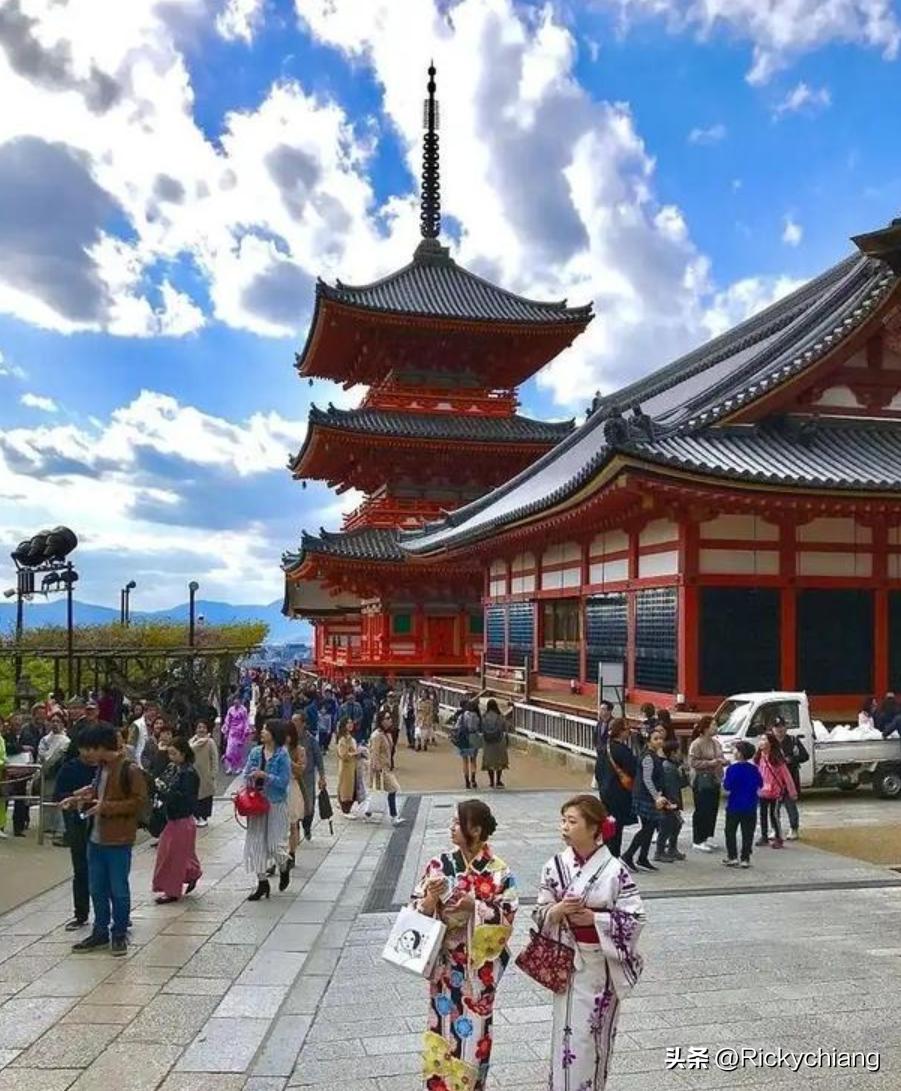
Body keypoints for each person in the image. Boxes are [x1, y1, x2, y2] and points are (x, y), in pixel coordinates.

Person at [534, 795, 645, 1091]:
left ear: (595, 827)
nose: (564, 827)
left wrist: (594, 919)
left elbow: (635, 918)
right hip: (568, 964)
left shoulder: (614, 870)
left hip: (601, 967)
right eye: (563, 821)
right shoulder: (555, 866)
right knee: (565, 1037)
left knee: (591, 1040)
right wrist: (558, 911)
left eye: (572, 821)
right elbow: (540, 912)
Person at [413, 800, 518, 1091]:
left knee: (475, 1037)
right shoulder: (439, 865)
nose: (452, 828)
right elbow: (416, 907)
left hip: (477, 971)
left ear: (476, 829)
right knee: (442, 1032)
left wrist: (475, 906)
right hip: (445, 967)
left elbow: (508, 914)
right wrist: (431, 900)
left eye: (458, 823)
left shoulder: (499, 871)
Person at [62, 725, 147, 956]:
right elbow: (98, 791)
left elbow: (139, 802)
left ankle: (119, 933)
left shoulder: (129, 769)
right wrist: (77, 798)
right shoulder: (102, 768)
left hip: (118, 840)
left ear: (100, 747)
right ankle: (100, 931)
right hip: (95, 838)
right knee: (97, 888)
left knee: (118, 889)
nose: (85, 754)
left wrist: (105, 807)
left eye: (88, 749)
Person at [242, 719, 292, 899]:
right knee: (256, 843)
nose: (262, 732)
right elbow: (245, 774)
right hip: (256, 803)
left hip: (276, 803)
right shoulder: (256, 752)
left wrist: (266, 776)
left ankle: (284, 865)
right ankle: (262, 882)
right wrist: (251, 777)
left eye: (266, 729)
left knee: (275, 844)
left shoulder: (282, 755)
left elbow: (283, 781)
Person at [152, 736, 202, 904]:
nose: (171, 757)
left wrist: (167, 793)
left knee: (173, 856)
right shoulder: (173, 768)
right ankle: (192, 873)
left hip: (182, 818)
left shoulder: (189, 774)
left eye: (174, 753)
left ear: (183, 753)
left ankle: (172, 891)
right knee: (175, 853)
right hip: (172, 817)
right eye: (169, 754)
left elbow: (187, 798)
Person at [53, 735, 96, 929]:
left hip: (102, 822)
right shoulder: (70, 768)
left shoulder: (104, 768)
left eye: (93, 748)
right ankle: (81, 913)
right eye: (86, 748)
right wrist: (76, 795)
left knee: (106, 871)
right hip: (77, 822)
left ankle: (114, 915)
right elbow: (58, 796)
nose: (90, 753)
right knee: (81, 869)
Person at [622, 728, 670, 872]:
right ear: (649, 741)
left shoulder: (654, 755)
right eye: (656, 739)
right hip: (645, 796)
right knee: (647, 827)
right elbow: (647, 779)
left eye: (661, 738)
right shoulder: (648, 757)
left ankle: (642, 857)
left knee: (650, 826)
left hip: (648, 795)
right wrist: (657, 797)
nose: (659, 741)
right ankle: (628, 855)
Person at [688, 715, 726, 853]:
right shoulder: (696, 744)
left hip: (715, 779)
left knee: (712, 808)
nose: (715, 727)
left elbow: (721, 756)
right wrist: (710, 763)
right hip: (701, 780)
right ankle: (698, 839)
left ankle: (706, 836)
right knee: (702, 809)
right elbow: (693, 762)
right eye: (713, 725)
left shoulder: (716, 743)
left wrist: (722, 761)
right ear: (705, 728)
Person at [722, 740, 763, 868]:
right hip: (750, 805)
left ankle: (732, 856)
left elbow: (727, 786)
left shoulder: (731, 769)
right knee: (747, 833)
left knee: (730, 831)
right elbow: (760, 783)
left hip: (734, 805)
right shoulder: (754, 769)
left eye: (735, 749)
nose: (733, 752)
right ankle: (745, 858)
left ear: (740, 753)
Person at [599, 718, 637, 858]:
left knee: (608, 823)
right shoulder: (622, 750)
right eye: (627, 730)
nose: (629, 732)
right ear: (620, 732)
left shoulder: (604, 748)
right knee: (617, 825)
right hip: (619, 791)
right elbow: (633, 769)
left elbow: (598, 771)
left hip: (605, 790)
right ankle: (614, 855)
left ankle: (605, 853)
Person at [753, 732, 798, 849]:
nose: (761, 742)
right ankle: (764, 836)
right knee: (762, 814)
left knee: (774, 815)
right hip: (762, 792)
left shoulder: (777, 759)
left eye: (764, 740)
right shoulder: (759, 758)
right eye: (761, 739)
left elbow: (786, 776)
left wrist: (792, 792)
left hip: (775, 793)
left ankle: (778, 838)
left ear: (771, 743)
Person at [291, 711, 326, 842]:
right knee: (294, 804)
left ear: (303, 723)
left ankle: (307, 827)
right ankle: (295, 829)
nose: (293, 723)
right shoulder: (289, 739)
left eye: (296, 721)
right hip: (294, 777)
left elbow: (318, 759)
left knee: (308, 804)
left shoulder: (311, 740)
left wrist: (322, 776)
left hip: (308, 777)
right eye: (292, 721)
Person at [770, 715, 808, 840]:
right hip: (774, 779)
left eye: (782, 726)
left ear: (786, 728)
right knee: (774, 806)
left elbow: (805, 756)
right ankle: (775, 829)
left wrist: (791, 759)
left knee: (790, 804)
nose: (779, 729)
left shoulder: (793, 741)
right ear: (772, 729)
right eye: (776, 727)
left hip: (790, 777)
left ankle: (793, 828)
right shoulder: (769, 742)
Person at [368, 709, 404, 826]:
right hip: (380, 769)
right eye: (387, 718)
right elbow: (374, 752)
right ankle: (393, 816)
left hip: (386, 767)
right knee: (392, 789)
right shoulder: (377, 736)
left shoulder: (387, 734)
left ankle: (368, 811)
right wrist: (376, 766)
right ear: (381, 721)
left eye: (390, 718)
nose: (390, 720)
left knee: (378, 791)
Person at [655, 739, 686, 862]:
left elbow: (682, 784)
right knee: (666, 827)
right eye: (678, 751)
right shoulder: (668, 767)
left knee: (676, 825)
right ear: (673, 753)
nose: (680, 754)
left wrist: (682, 772)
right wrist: (673, 804)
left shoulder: (674, 766)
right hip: (669, 802)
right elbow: (671, 788)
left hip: (673, 800)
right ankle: (659, 852)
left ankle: (672, 849)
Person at [285, 719, 308, 860]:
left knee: (293, 822)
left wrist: (288, 761)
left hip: (292, 787)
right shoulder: (275, 750)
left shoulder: (299, 750)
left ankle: (291, 852)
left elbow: (300, 770)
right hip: (279, 787)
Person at [189, 720, 218, 827]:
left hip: (206, 774)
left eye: (203, 727)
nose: (201, 729)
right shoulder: (191, 742)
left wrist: (213, 773)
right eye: (199, 727)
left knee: (206, 797)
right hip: (193, 773)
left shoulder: (210, 742)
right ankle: (196, 816)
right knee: (194, 795)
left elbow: (214, 758)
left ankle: (204, 817)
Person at [336, 716, 364, 816]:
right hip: (346, 768)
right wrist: (355, 753)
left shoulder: (351, 738)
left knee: (352, 788)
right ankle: (345, 809)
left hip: (353, 767)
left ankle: (347, 807)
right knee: (346, 788)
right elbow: (343, 754)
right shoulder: (343, 739)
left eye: (351, 722)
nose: (350, 724)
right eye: (348, 723)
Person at [480, 699, 509, 788]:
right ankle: (498, 780)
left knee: (489, 762)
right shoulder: (500, 716)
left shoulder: (484, 716)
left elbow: (481, 728)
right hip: (499, 741)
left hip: (488, 742)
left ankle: (491, 782)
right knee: (499, 762)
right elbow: (505, 727)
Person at [455, 699, 481, 790]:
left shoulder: (462, 716)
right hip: (474, 737)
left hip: (464, 738)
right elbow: (479, 728)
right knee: (473, 760)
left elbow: (457, 727)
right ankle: (473, 779)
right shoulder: (477, 716)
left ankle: (466, 781)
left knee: (465, 761)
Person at [223, 696, 252, 775]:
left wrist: (246, 730)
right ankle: (229, 767)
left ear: (240, 701)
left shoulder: (243, 710)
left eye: (237, 700)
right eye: (235, 701)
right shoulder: (230, 710)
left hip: (240, 733)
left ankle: (239, 767)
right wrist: (226, 730)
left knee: (238, 751)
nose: (236, 702)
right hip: (232, 732)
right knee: (229, 750)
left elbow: (246, 720)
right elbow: (227, 720)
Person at [594, 700, 614, 791]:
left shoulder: (613, 723)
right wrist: (596, 746)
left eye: (603, 709)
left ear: (609, 711)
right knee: (599, 773)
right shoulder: (600, 722)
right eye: (600, 709)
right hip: (600, 753)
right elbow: (596, 736)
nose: (601, 711)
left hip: (609, 755)